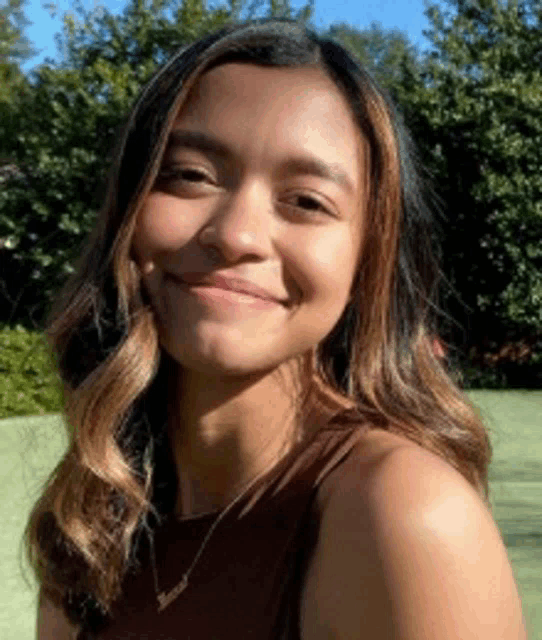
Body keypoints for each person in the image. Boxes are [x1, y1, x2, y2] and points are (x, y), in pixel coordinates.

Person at [27, 17, 527, 640]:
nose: (235, 235)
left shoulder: (402, 515)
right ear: (128, 208)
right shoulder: (92, 517)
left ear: (366, 260)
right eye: (190, 175)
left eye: (307, 201)